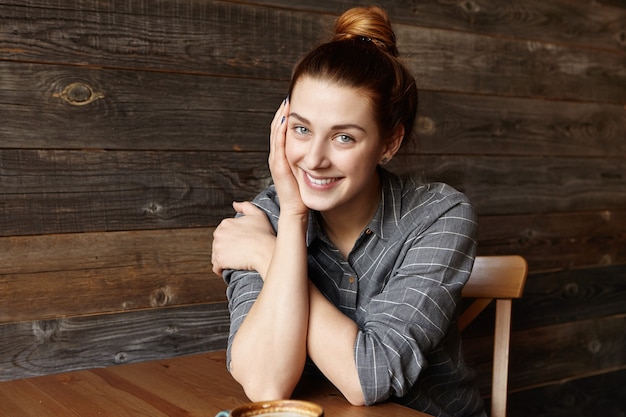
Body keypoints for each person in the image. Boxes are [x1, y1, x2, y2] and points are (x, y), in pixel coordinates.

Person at [211, 6, 486, 417]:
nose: (314, 159)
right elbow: (266, 384)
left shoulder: (439, 215)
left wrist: (268, 255)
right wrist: (291, 217)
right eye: (301, 129)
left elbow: (367, 378)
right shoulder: (264, 217)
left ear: (389, 144)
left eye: (343, 137)